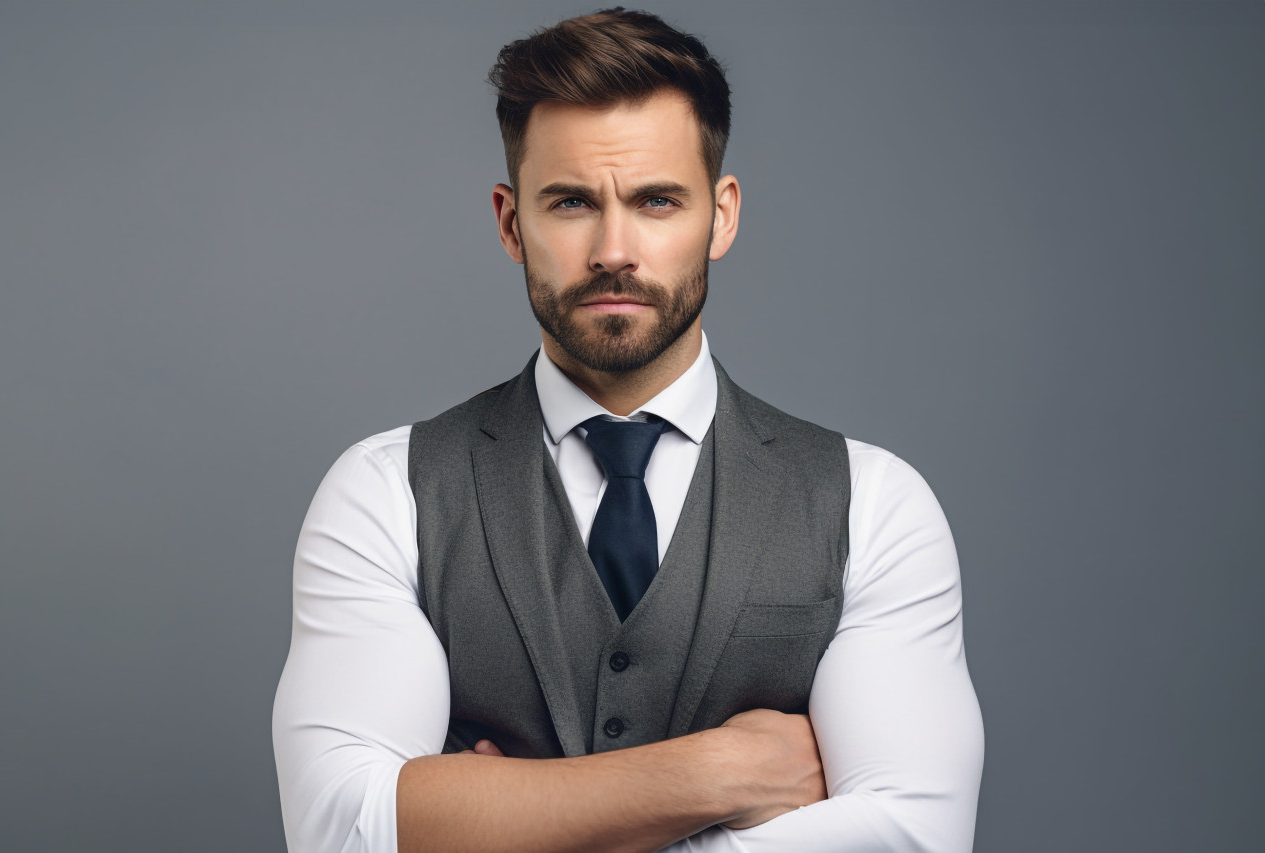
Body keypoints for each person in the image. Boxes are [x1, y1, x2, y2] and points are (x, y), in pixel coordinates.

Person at [272, 9, 984, 852]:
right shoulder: (387, 491)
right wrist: (721, 771)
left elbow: (913, 836)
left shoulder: (872, 503)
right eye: (572, 201)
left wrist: (492, 814)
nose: (615, 248)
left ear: (720, 216)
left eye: (655, 200)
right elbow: (343, 832)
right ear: (510, 223)